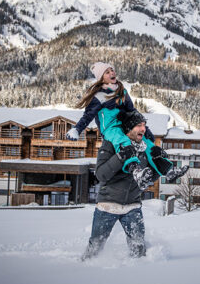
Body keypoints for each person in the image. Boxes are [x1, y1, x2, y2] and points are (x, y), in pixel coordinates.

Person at [67, 62, 187, 191]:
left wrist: (144, 129)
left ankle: (169, 171)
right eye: (107, 72)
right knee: (123, 142)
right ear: (101, 78)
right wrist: (77, 129)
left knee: (148, 145)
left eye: (112, 70)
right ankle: (136, 172)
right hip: (110, 128)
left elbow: (132, 111)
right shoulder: (98, 96)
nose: (111, 73)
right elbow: (88, 116)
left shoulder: (121, 90)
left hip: (125, 124)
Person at [82, 111, 163, 260]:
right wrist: (120, 157)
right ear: (128, 128)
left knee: (138, 249)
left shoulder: (144, 148)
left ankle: (137, 275)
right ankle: (83, 270)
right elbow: (101, 174)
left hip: (132, 206)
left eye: (144, 125)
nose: (143, 129)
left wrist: (159, 164)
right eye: (139, 125)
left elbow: (148, 179)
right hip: (107, 205)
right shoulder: (111, 143)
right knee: (95, 247)